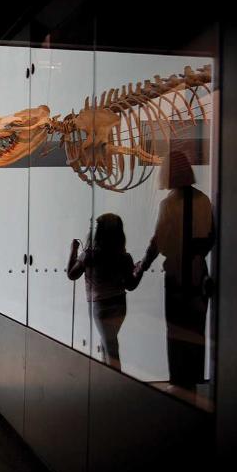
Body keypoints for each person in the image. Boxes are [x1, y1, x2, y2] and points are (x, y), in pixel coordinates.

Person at [137, 150, 215, 390]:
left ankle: (180, 384)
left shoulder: (168, 204)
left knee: (176, 332)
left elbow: (158, 242)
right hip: (199, 275)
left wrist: (142, 267)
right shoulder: (204, 200)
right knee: (197, 332)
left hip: (175, 277)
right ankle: (194, 380)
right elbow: (211, 237)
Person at [67, 213, 143, 370]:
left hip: (100, 306)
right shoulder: (123, 257)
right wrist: (139, 269)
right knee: (109, 343)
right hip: (120, 305)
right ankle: (109, 380)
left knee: (110, 347)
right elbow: (131, 285)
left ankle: (115, 385)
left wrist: (73, 250)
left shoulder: (89, 255)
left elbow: (71, 274)